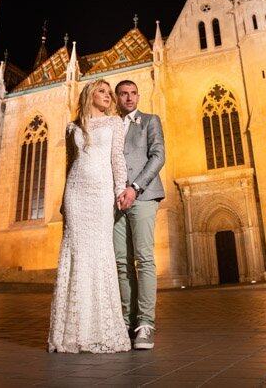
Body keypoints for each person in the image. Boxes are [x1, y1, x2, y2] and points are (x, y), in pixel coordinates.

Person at [48, 80, 132, 353]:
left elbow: (117, 158)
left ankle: (99, 328)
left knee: (99, 253)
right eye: (102, 92)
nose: (108, 96)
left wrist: (120, 189)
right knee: (75, 253)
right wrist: (63, 199)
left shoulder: (114, 123)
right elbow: (69, 164)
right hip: (75, 192)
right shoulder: (73, 126)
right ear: (89, 95)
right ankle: (70, 332)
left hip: (101, 193)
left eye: (110, 93)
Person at [112, 80, 166, 350]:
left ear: (138, 96)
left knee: (143, 259)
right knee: (122, 263)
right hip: (116, 202)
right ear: (117, 98)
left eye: (133, 93)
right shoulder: (111, 124)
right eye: (124, 94)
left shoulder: (149, 121)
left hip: (143, 195)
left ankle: (145, 324)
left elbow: (158, 156)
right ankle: (126, 321)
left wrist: (134, 188)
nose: (129, 98)